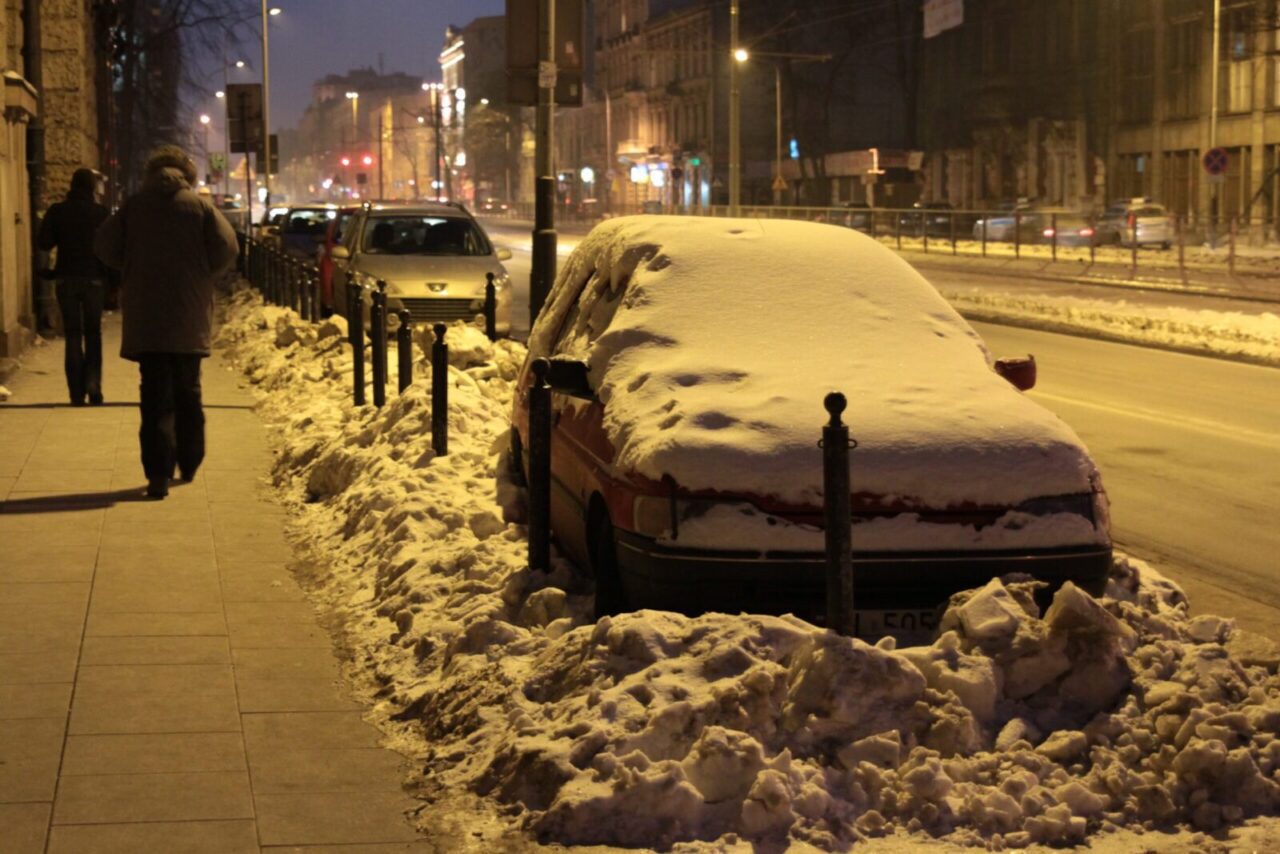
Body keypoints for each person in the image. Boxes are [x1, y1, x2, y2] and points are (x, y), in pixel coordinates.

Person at [95, 145, 239, 499]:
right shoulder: (201, 207)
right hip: (189, 315)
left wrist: (129, 267)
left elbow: (104, 246)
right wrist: (205, 274)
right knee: (189, 391)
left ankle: (157, 473)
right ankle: (189, 460)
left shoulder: (134, 206)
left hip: (147, 317)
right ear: (186, 174)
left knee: (154, 395)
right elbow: (228, 248)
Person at [37, 168, 109, 405]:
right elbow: (111, 249)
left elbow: (45, 242)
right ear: (91, 188)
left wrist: (47, 270)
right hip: (94, 280)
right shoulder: (101, 213)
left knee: (72, 334)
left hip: (66, 279)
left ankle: (76, 392)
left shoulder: (58, 211)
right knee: (93, 333)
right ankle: (93, 383)